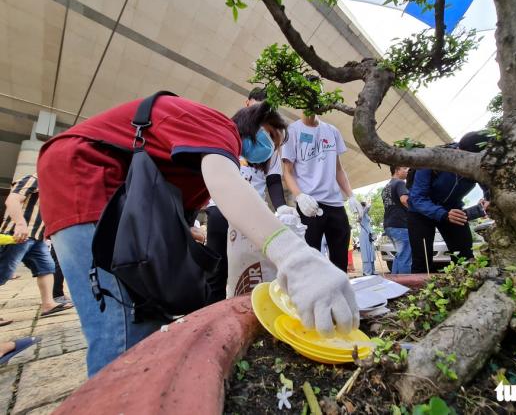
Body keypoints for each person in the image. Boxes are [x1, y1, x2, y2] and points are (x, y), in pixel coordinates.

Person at [38, 94, 359, 376]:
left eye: (276, 145)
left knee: (145, 317)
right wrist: (296, 257)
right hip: (85, 175)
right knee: (124, 332)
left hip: (97, 185)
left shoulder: (197, 157)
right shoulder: (218, 126)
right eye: (271, 135)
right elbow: (226, 183)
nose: (270, 147)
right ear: (251, 120)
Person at [205, 88, 291, 303]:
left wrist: (281, 208)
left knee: (251, 266)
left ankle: (251, 307)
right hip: (221, 209)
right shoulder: (229, 135)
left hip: (251, 212)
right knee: (217, 268)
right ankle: (213, 312)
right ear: (247, 105)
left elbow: (273, 181)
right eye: (257, 104)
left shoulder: (270, 147)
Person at [282, 111, 363, 272]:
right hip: (310, 205)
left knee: (340, 258)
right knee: (310, 259)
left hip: (335, 203)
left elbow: (338, 169)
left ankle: (339, 293)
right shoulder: (292, 131)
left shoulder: (332, 131)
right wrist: (300, 196)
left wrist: (351, 195)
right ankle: (313, 294)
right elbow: (287, 172)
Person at [407, 131, 490, 273]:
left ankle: (465, 286)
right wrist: (444, 215)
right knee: (422, 261)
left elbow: (488, 184)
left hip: (453, 208)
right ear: (459, 150)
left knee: (464, 255)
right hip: (420, 212)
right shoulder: (432, 158)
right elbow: (417, 198)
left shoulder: (481, 162)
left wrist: (489, 198)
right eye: (462, 157)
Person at [0, 175, 73, 316]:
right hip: (16, 235)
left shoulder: (53, 185)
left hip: (36, 237)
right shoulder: (34, 178)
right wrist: (20, 223)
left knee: (46, 268)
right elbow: (12, 200)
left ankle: (48, 304)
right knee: (3, 272)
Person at [382, 166, 412, 274]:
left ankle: (395, 283)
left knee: (400, 255)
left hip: (389, 225)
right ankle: (407, 286)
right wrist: (416, 210)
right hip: (399, 224)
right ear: (397, 170)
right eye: (404, 168)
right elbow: (404, 200)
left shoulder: (386, 187)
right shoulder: (400, 183)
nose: (408, 170)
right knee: (405, 256)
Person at [358, 202, 376, 275]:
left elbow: (367, 208)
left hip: (369, 234)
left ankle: (372, 270)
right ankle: (367, 271)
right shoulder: (361, 214)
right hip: (364, 235)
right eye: (363, 206)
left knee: (371, 252)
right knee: (366, 253)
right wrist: (368, 203)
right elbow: (367, 208)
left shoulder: (365, 214)